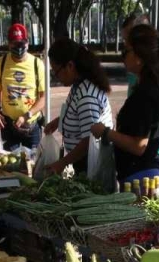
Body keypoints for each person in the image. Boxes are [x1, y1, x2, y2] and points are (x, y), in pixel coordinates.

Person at [92, 24, 159, 190]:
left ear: (139, 56)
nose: (123, 56)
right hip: (137, 175)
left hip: (141, 180)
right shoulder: (146, 88)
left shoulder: (147, 94)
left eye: (126, 50)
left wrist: (105, 132)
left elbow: (139, 145)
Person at [121, 13, 159, 187]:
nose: (124, 51)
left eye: (128, 45)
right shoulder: (137, 73)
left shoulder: (158, 70)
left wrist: (142, 112)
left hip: (156, 150)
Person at [43, 39, 113, 179]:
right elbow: (77, 113)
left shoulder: (86, 95)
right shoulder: (78, 85)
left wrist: (62, 162)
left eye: (57, 72)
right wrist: (59, 121)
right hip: (83, 162)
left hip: (90, 164)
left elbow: (88, 139)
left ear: (70, 66)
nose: (57, 77)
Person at [0, 23, 45, 151]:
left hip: (31, 128)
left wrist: (27, 115)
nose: (19, 48)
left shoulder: (37, 64)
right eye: (15, 44)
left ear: (27, 43)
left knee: (33, 166)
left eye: (21, 44)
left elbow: (43, 98)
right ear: (9, 44)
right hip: (9, 127)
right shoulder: (1, 63)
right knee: (9, 167)